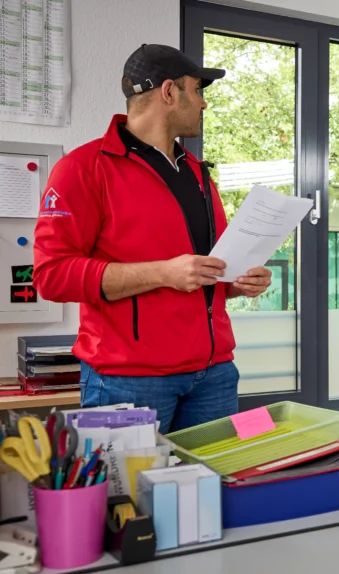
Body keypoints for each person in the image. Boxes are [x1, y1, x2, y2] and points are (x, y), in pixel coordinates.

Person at [33, 44, 272, 433]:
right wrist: (163, 273)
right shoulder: (82, 169)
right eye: (197, 90)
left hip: (213, 376)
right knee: (128, 495)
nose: (203, 104)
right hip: (127, 380)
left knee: (212, 491)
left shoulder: (198, 172)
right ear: (168, 92)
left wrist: (240, 281)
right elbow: (51, 276)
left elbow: (208, 272)